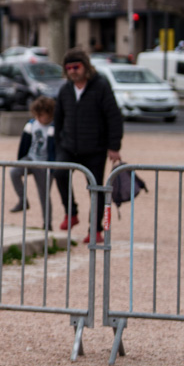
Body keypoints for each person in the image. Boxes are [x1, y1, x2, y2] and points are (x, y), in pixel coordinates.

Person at [52, 48, 123, 242]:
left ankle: (96, 230)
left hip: (95, 148)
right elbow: (58, 119)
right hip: (69, 146)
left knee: (96, 189)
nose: (73, 71)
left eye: (77, 66)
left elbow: (113, 117)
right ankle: (71, 212)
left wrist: (114, 146)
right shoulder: (65, 89)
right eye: (69, 68)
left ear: (85, 67)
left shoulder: (100, 86)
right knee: (59, 173)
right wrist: (59, 143)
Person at [10, 95, 57, 228]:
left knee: (43, 194)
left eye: (41, 115)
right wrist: (20, 159)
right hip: (31, 158)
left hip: (45, 163)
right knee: (14, 172)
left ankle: (47, 223)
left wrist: (52, 168)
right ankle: (23, 200)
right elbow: (24, 144)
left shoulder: (54, 127)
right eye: (37, 115)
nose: (39, 117)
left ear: (49, 114)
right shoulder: (31, 124)